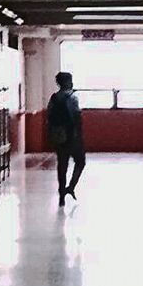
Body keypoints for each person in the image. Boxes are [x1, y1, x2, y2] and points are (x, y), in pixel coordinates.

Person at [47, 70, 86, 206]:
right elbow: (77, 117)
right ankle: (71, 187)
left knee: (62, 165)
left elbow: (49, 117)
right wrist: (79, 136)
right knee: (80, 162)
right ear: (68, 82)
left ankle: (61, 194)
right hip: (72, 136)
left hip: (59, 136)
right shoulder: (73, 97)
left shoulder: (53, 98)